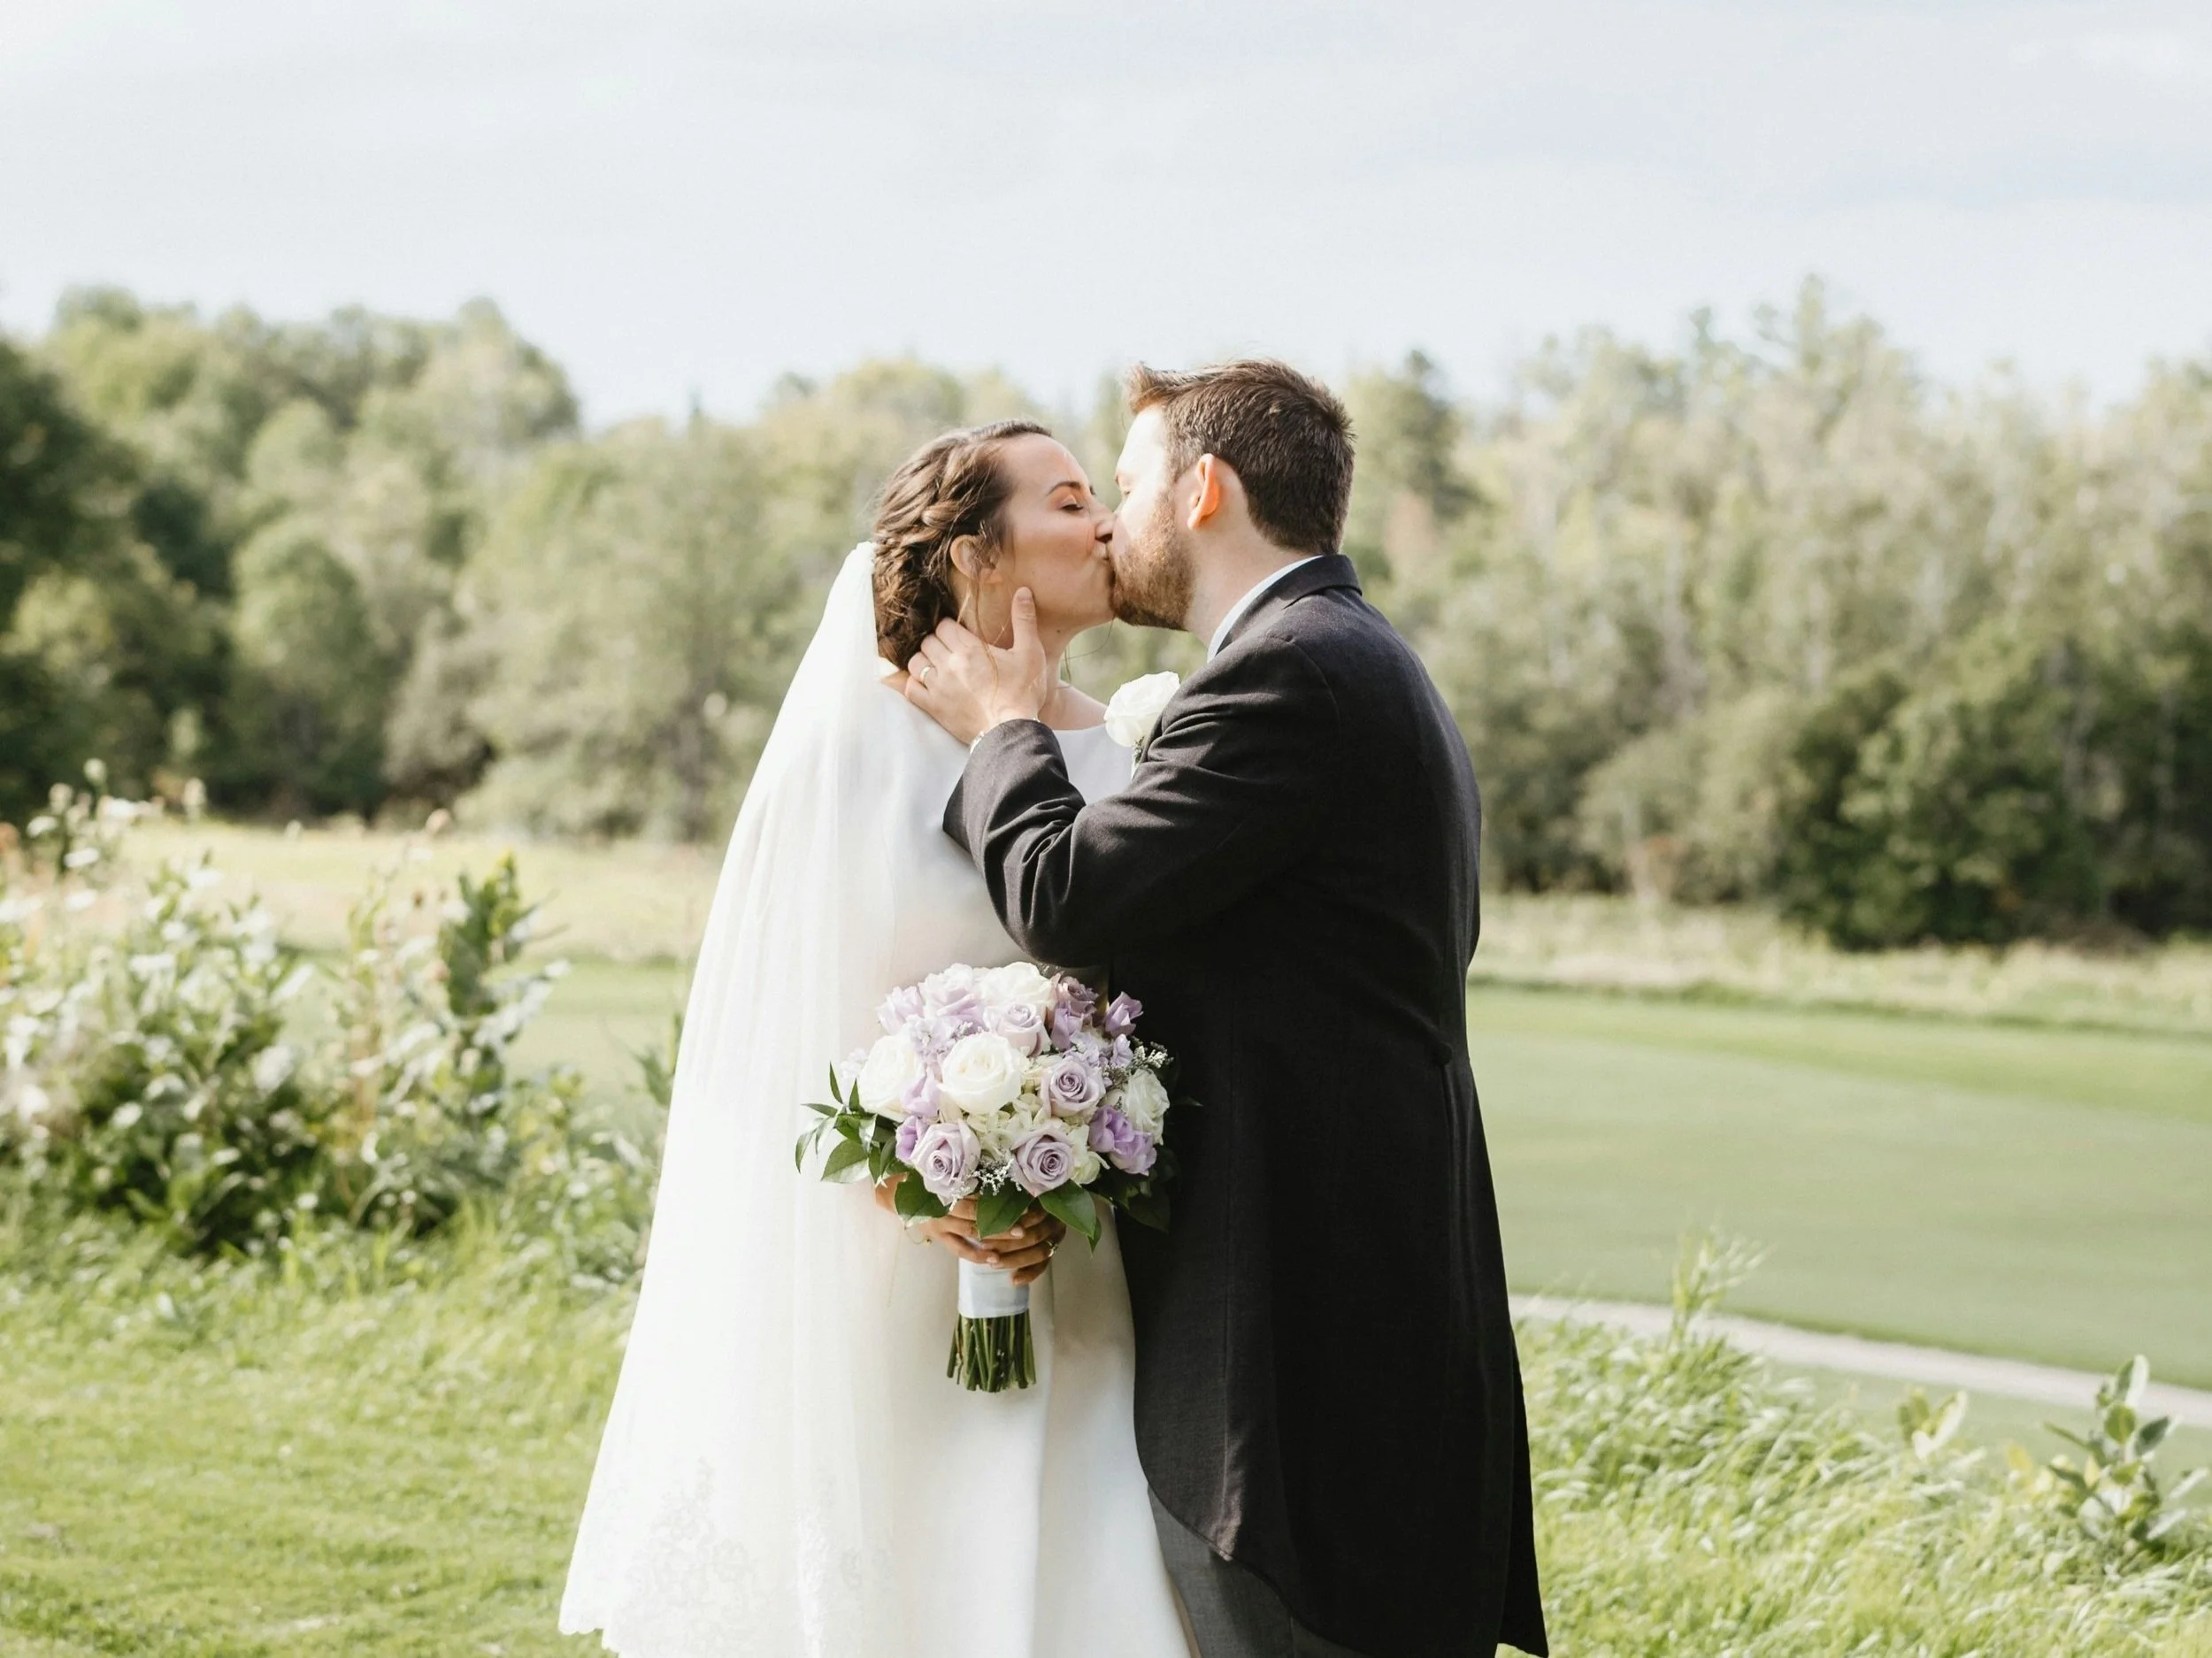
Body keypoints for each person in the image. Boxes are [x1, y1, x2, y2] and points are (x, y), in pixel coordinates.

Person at [901, 362, 1548, 1658]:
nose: (1107, 523)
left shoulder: (1292, 676)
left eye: (1126, 487)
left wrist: (999, 729)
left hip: (1304, 1368)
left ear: (1203, 492)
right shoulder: (1344, 660)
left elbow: (1066, 893)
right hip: (1348, 1338)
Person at [559, 421, 1190, 1656]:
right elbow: (781, 1027)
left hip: (1080, 1254)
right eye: (1068, 503)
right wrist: (910, 1183)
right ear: (973, 553)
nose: (1107, 523)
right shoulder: (857, 746)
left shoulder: (1127, 749)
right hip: (893, 1253)